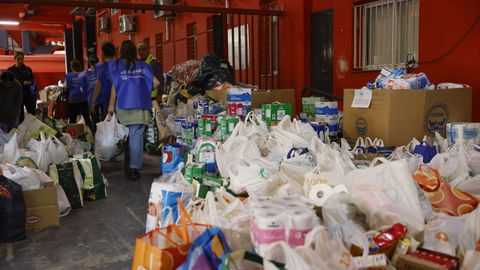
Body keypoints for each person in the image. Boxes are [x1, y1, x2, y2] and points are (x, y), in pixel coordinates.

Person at [108, 40, 159, 180]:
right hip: (140, 106)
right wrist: (144, 90)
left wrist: (110, 107)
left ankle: (127, 164)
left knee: (125, 137)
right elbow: (156, 82)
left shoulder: (116, 66)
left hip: (123, 106)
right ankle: (133, 168)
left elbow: (114, 87)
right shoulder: (143, 66)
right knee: (136, 138)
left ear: (121, 52)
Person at [65, 59, 95, 134]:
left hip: (73, 100)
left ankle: (71, 135)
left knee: (72, 119)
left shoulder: (68, 75)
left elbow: (66, 87)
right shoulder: (84, 74)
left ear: (72, 67)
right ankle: (92, 135)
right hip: (83, 99)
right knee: (87, 119)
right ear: (80, 66)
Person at [90, 42, 115, 123]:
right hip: (120, 98)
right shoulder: (121, 64)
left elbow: (98, 85)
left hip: (106, 99)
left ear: (103, 54)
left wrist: (93, 102)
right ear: (115, 52)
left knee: (108, 124)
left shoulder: (99, 67)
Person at [8, 51, 36, 123]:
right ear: (14, 59)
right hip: (16, 96)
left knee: (32, 112)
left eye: (22, 59)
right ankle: (20, 130)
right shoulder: (10, 71)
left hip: (27, 94)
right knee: (19, 115)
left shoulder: (28, 69)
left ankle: (32, 129)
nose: (20, 60)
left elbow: (32, 80)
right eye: (18, 59)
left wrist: (28, 82)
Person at [79, 55, 99, 131]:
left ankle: (96, 137)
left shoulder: (82, 75)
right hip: (104, 100)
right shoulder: (103, 71)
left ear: (89, 64)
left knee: (95, 120)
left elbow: (82, 89)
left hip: (91, 100)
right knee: (104, 119)